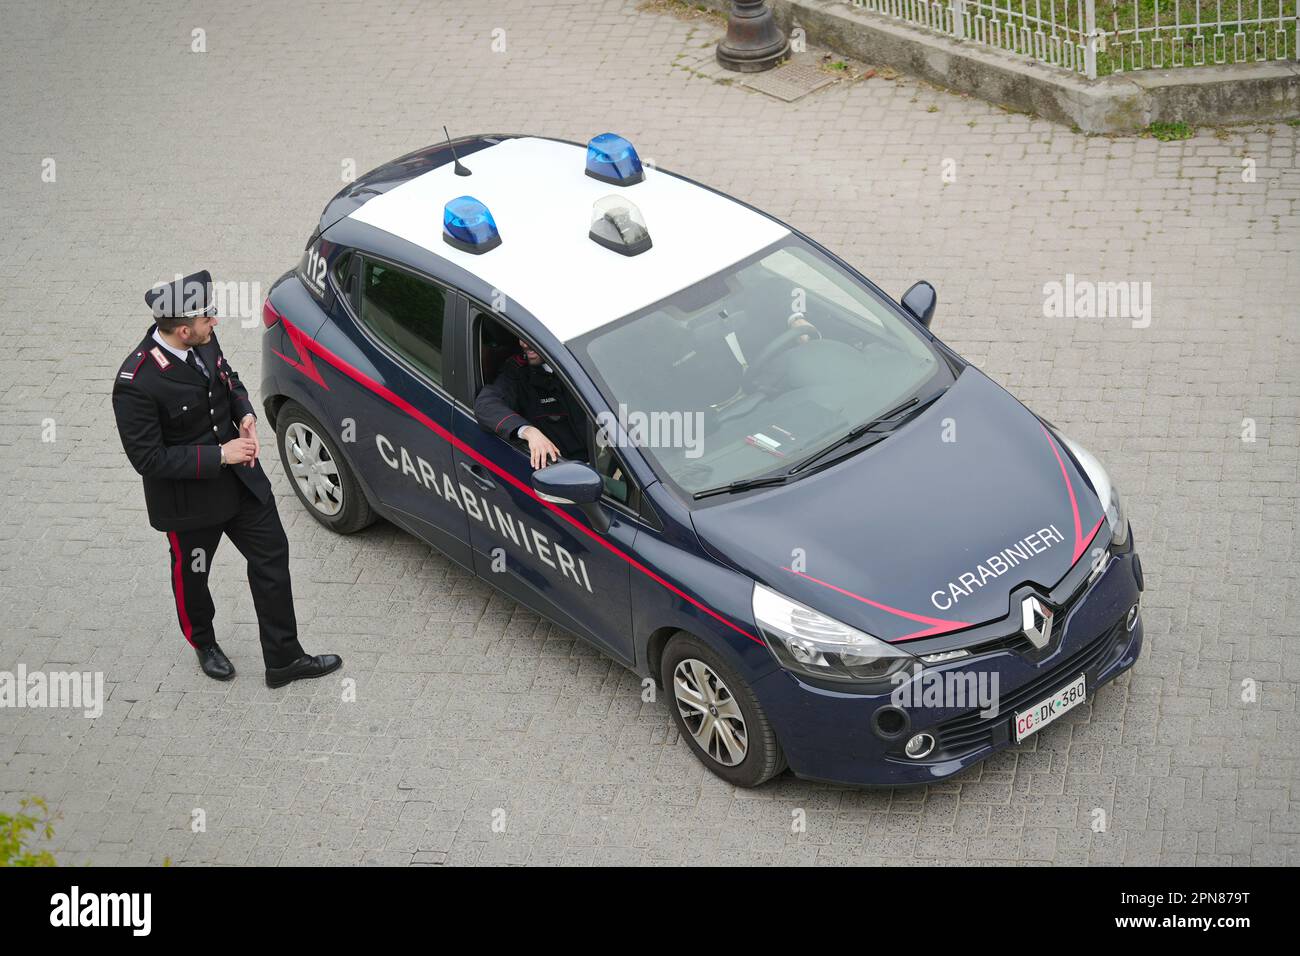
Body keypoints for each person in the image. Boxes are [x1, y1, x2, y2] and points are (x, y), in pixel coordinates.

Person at [111, 270, 341, 688]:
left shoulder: (201, 340)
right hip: (191, 504)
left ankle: (284, 659)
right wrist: (221, 454)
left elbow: (226, 377)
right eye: (207, 319)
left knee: (271, 557)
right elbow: (148, 459)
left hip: (242, 484)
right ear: (183, 330)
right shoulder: (137, 382)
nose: (215, 323)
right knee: (193, 576)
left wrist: (245, 413)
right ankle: (204, 642)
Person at [474, 337, 587, 469]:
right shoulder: (517, 372)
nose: (524, 344)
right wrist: (529, 431)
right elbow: (485, 405)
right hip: (566, 471)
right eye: (521, 338)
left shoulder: (584, 358)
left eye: (530, 338)